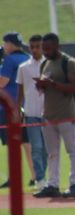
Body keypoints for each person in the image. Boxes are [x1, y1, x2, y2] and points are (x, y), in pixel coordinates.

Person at [33, 33, 75, 198]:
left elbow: (74, 88)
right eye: (43, 48)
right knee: (52, 152)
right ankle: (52, 184)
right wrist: (41, 85)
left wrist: (51, 84)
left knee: (72, 150)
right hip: (49, 114)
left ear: (57, 46)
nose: (45, 52)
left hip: (66, 114)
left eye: (48, 48)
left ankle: (74, 184)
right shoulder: (45, 63)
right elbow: (44, 89)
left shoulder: (69, 62)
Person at [0, 31, 35, 188]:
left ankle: (13, 177)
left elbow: (2, 83)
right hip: (25, 105)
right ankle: (35, 175)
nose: (4, 45)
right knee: (27, 142)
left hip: (7, 107)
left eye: (5, 42)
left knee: (11, 143)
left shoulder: (10, 60)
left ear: (10, 44)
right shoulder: (27, 58)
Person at [16, 34, 47, 191]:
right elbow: (20, 91)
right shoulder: (23, 67)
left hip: (48, 112)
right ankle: (40, 179)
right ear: (29, 48)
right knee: (36, 147)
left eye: (38, 47)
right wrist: (17, 109)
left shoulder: (48, 65)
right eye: (32, 47)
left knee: (47, 148)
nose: (35, 50)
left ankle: (46, 179)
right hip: (31, 112)